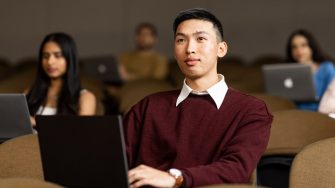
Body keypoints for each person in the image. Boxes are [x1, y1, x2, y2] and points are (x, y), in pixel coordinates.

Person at [123, 8, 273, 187]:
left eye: (200, 39)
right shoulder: (147, 107)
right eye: (181, 40)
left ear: (221, 49)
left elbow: (237, 169)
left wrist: (175, 178)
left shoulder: (250, 110)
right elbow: (115, 164)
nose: (190, 49)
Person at [25, 32, 96, 127]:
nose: (50, 62)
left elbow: (81, 133)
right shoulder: (31, 92)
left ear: (69, 59)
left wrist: (36, 122)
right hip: (27, 142)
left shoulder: (85, 97)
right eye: (46, 56)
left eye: (57, 56)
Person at [103, 22, 168, 114]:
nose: (143, 37)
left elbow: (157, 78)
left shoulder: (159, 59)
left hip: (140, 91)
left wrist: (129, 77)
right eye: (140, 34)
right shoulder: (124, 56)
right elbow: (117, 75)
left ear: (154, 39)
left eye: (147, 34)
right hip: (119, 90)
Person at [286, 29, 335, 111]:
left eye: (303, 45)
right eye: (294, 47)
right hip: (294, 115)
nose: (299, 50)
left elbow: (332, 98)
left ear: (312, 47)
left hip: (320, 116)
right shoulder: (287, 72)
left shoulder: (326, 68)